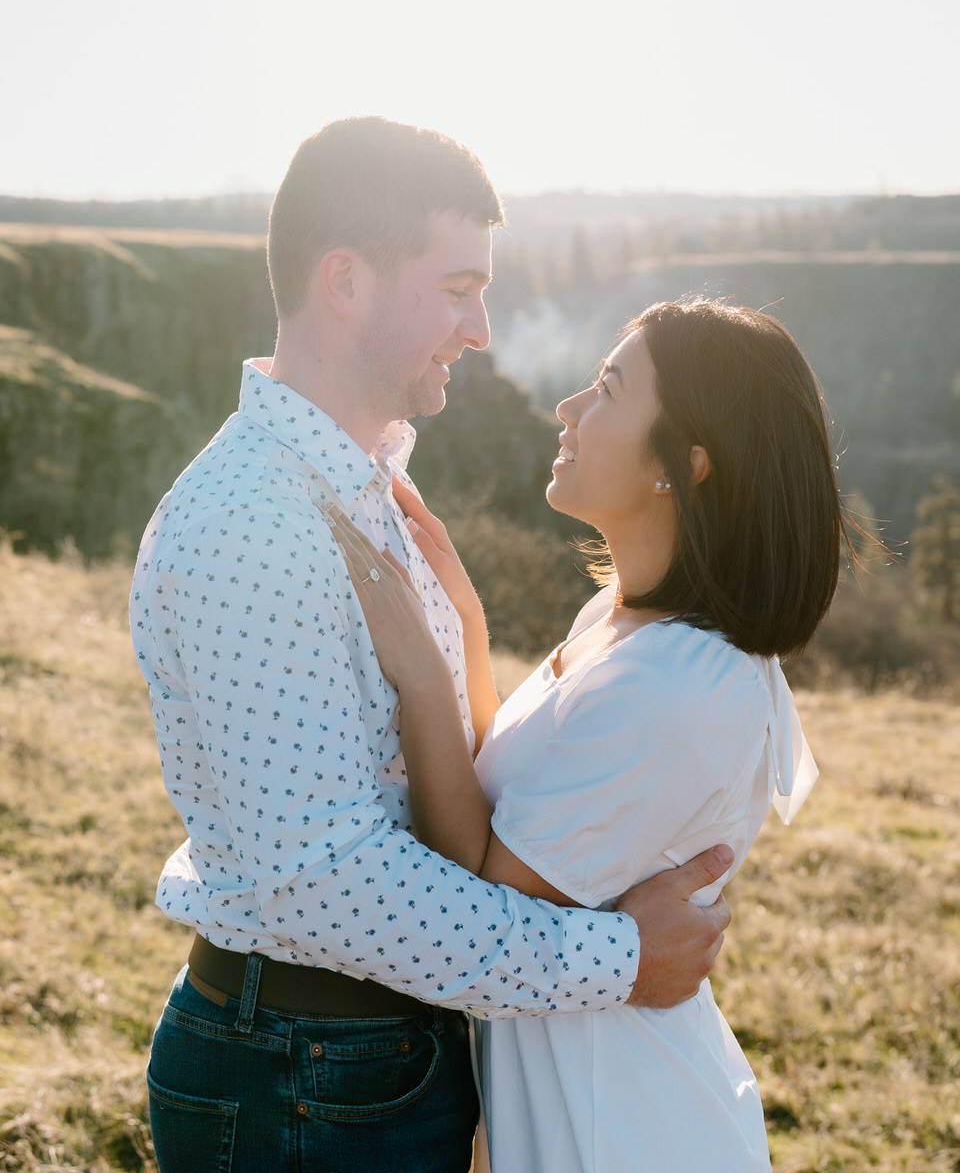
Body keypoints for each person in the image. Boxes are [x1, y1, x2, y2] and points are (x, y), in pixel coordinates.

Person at [130, 117, 733, 1173]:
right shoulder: (254, 520)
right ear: (346, 281)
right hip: (301, 1074)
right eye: (458, 288)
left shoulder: (365, 491)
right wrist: (619, 959)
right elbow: (328, 879)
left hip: (361, 1056)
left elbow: (416, 795)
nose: (483, 327)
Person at [331, 295, 842, 1173]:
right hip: (581, 1102)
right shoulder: (622, 617)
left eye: (608, 388)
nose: (568, 408)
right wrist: (468, 624)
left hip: (626, 1129)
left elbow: (483, 881)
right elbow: (518, 805)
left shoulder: (678, 684)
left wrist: (423, 674)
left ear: (686, 464)